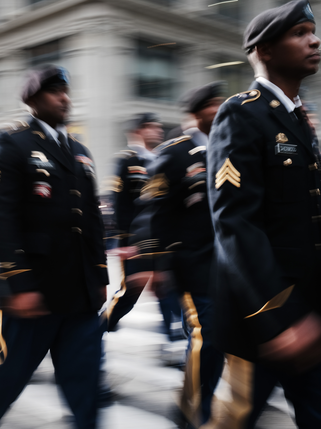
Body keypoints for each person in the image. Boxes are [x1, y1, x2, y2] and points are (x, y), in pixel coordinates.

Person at [205, 0, 321, 428]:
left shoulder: (297, 118)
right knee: (232, 420)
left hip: (315, 307)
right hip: (263, 315)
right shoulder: (241, 114)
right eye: (299, 33)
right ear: (265, 50)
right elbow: (235, 222)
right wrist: (277, 317)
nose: (315, 40)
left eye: (313, 31)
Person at [0, 65, 109, 429]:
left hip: (80, 291)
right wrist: (20, 284)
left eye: (65, 91)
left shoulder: (79, 150)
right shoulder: (12, 144)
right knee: (7, 376)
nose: (64, 98)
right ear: (32, 100)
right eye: (54, 92)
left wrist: (100, 274)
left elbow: (91, 217)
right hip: (33, 291)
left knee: (85, 378)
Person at [127, 81, 226, 428]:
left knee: (224, 340)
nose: (220, 109)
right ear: (197, 113)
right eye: (214, 104)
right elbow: (152, 212)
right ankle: (191, 410)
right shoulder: (174, 152)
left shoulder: (227, 146)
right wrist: (151, 264)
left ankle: (209, 402)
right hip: (192, 264)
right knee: (208, 338)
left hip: (229, 265)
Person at [105, 112, 183, 343]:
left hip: (161, 238)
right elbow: (119, 204)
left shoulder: (163, 158)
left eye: (159, 126)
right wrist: (124, 242)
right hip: (135, 241)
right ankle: (103, 323)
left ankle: (175, 336)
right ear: (137, 131)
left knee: (167, 286)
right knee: (132, 291)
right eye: (152, 126)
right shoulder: (126, 161)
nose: (158, 130)